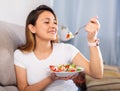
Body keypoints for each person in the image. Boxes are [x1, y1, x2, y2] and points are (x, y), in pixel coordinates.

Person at [14, 4, 103, 91]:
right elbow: (23, 89)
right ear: (32, 28)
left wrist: (92, 39)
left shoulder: (67, 49)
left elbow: (97, 74)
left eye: (55, 22)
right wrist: (51, 78)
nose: (53, 26)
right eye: (46, 22)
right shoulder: (20, 55)